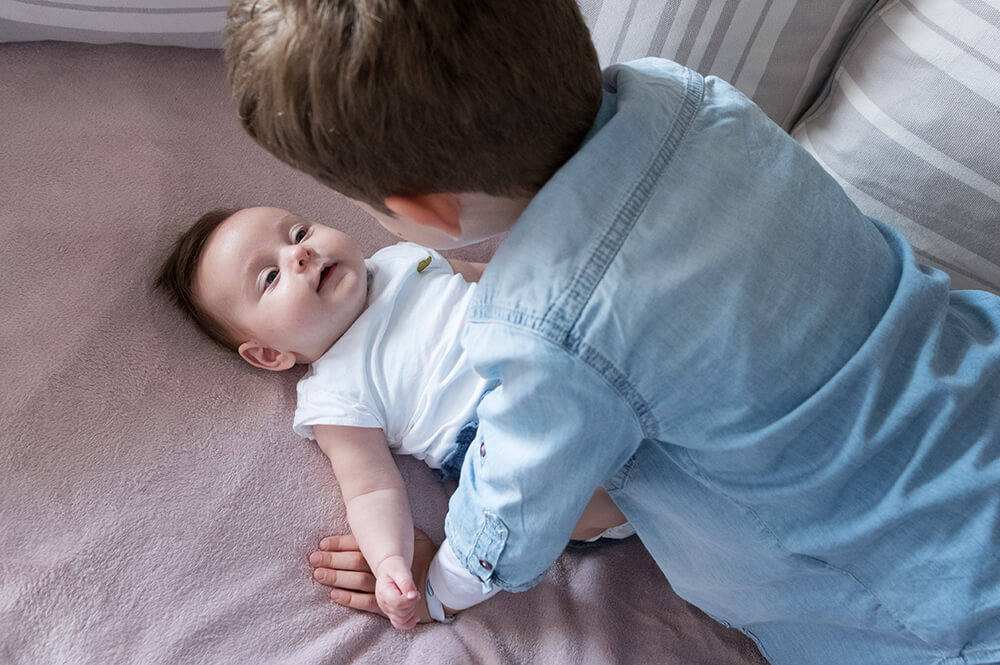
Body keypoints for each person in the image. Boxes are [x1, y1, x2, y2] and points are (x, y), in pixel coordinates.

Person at [222, 2, 1000, 663]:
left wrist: (439, 585)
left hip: (919, 589)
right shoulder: (688, 94)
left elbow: (512, 508)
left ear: (420, 213)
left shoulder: (547, 334)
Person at [155, 206, 632, 630]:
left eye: (298, 233)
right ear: (269, 354)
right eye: (270, 278)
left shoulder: (403, 260)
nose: (298, 255)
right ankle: (447, 587)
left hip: (555, 350)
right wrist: (391, 564)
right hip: (498, 440)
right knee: (546, 491)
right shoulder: (333, 395)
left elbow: (499, 278)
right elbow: (370, 489)